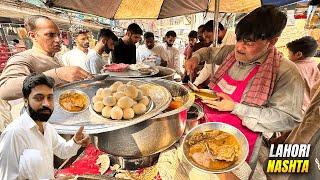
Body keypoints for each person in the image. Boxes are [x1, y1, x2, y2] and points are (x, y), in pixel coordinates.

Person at [185, 5, 304, 166]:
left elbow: (288, 119)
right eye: (239, 39)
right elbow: (209, 52)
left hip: (240, 143)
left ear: (272, 41)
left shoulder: (286, 72)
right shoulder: (231, 53)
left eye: (249, 43)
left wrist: (236, 107)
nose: (239, 47)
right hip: (207, 126)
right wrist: (195, 58)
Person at [0, 15, 91, 131]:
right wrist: (57, 74)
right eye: (50, 35)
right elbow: (5, 89)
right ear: (33, 36)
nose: (58, 40)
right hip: (42, 129)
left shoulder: (55, 57)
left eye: (58, 35)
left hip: (62, 123)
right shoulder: (24, 58)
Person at [0, 74, 90, 179]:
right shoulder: (14, 134)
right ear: (25, 101)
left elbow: (62, 150)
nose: (46, 104)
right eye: (39, 98)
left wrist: (75, 141)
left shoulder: (47, 127)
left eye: (50, 97)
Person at [192, 20, 236, 86]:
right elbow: (208, 67)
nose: (207, 41)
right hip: (217, 84)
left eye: (208, 37)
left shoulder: (235, 38)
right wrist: (196, 83)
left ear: (217, 31)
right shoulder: (214, 44)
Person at [286, 36, 320, 112]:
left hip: (295, 110)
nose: (288, 56)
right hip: (308, 108)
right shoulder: (313, 65)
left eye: (289, 53)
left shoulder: (293, 68)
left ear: (298, 54)